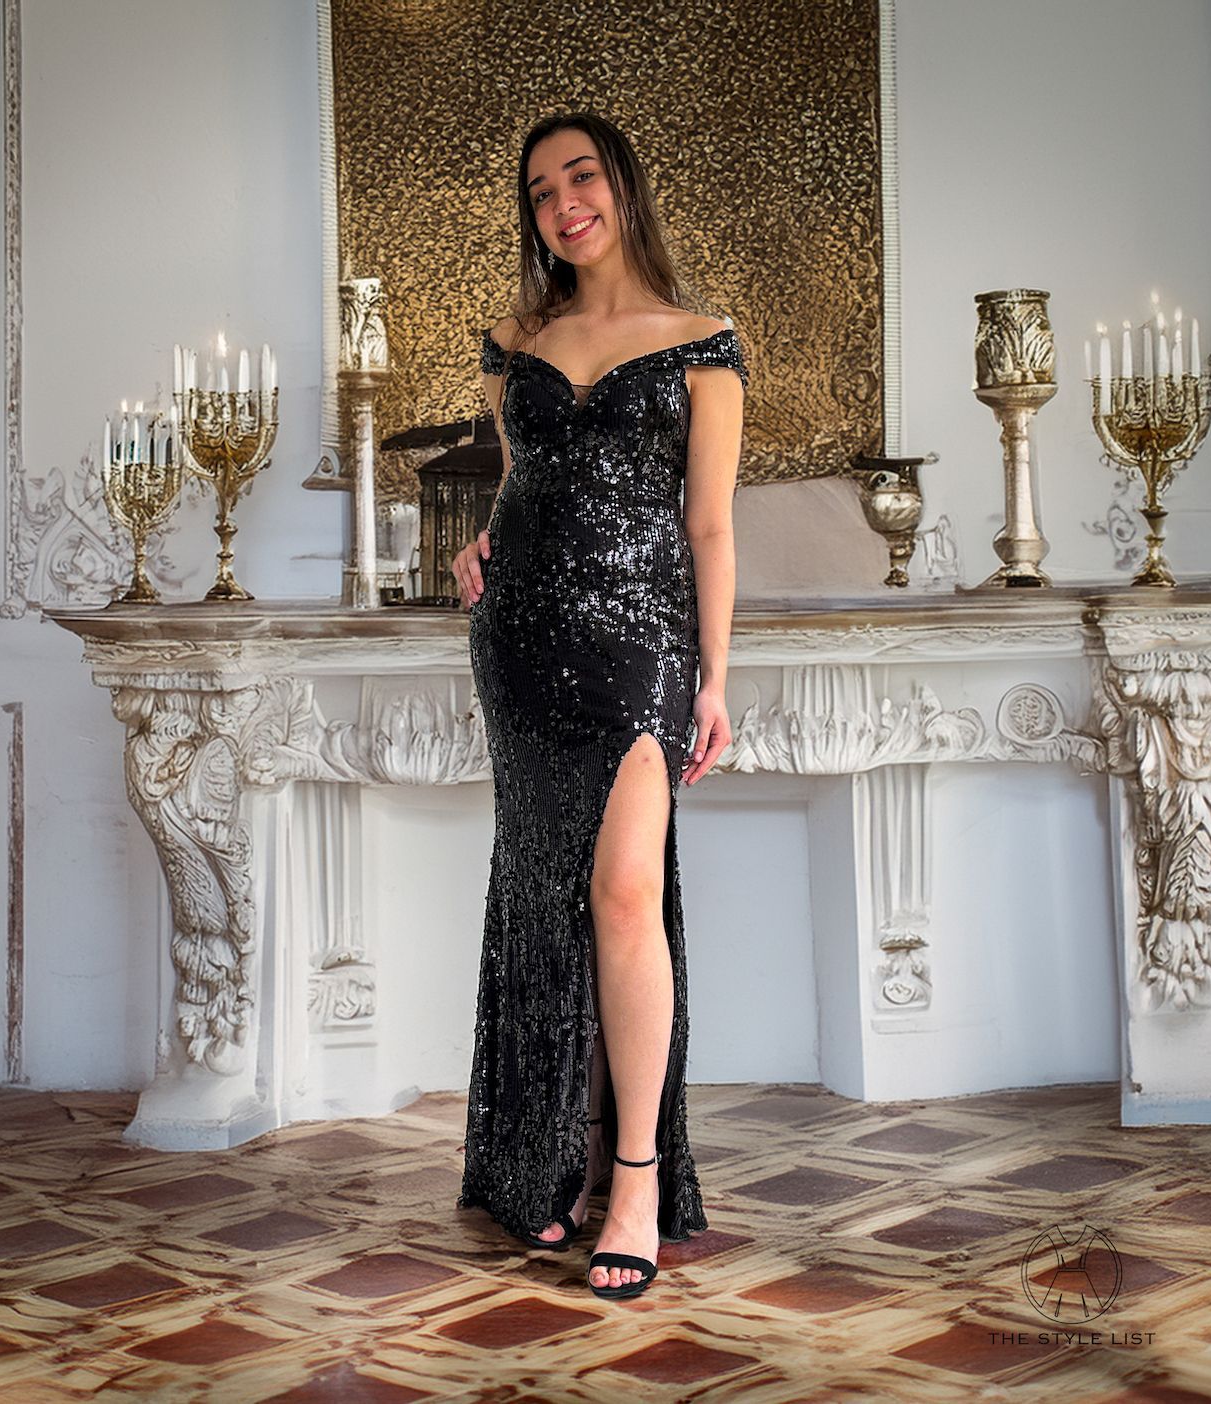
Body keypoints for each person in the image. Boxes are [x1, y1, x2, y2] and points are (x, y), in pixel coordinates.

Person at [450, 111, 746, 1302]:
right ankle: (546, 1159)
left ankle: (632, 1181)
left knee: (624, 894)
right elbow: (523, 483)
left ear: (621, 186)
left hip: (642, 643)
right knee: (542, 896)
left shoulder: (703, 343)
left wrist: (713, 676)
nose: (562, 202)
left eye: (580, 177)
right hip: (520, 640)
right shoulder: (511, 343)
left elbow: (709, 525)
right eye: (539, 190)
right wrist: (477, 542)